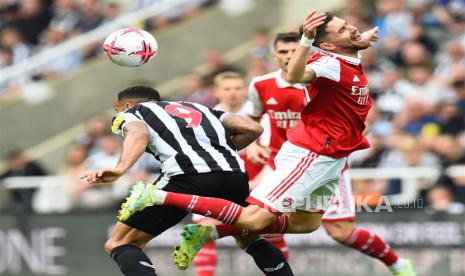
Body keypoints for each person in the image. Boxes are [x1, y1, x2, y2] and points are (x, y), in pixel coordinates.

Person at [116, 10, 417, 276]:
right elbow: (295, 74)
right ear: (325, 45)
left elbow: (350, 45)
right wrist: (307, 40)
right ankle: (156, 196)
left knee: (306, 225)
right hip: (312, 153)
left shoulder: (349, 53)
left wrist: (358, 36)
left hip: (335, 156)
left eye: (347, 25)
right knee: (254, 219)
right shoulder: (326, 63)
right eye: (342, 29)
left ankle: (210, 232)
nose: (351, 29)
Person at [81, 86, 295, 276]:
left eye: (117, 109)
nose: (117, 113)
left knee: (119, 242)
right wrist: (224, 150)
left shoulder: (131, 113)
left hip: (187, 178)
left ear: (125, 105)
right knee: (246, 236)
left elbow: (138, 133)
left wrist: (121, 169)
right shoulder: (197, 108)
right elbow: (253, 128)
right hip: (235, 177)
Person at [247, 30, 412, 275]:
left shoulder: (323, 79)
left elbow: (357, 112)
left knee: (340, 232)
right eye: (283, 52)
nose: (289, 56)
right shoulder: (261, 85)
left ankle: (398, 264)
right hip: (283, 163)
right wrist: (252, 144)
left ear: (306, 52)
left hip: (325, 161)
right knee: (265, 222)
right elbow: (252, 117)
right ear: (274, 55)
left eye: (294, 51)